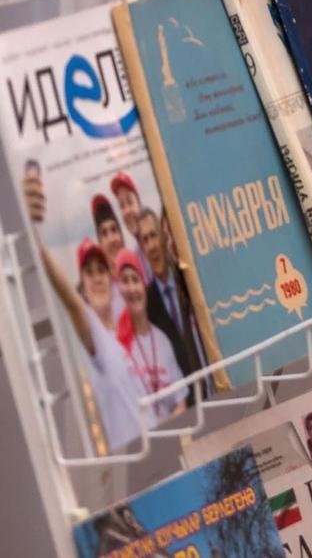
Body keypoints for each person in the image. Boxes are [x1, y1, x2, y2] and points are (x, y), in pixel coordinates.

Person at [20, 161, 145, 452]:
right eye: (89, 273)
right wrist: (30, 229)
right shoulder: (92, 330)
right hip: (130, 452)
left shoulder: (130, 315)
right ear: (82, 287)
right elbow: (71, 303)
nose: (98, 278)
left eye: (101, 271)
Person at [114, 249, 185, 422]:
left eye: (135, 279)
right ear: (119, 290)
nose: (132, 288)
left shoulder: (162, 341)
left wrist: (164, 429)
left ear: (144, 286)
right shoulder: (118, 346)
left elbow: (181, 403)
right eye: (125, 281)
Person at [138, 208, 203, 389]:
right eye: (145, 240)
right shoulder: (147, 305)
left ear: (163, 237)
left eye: (153, 236)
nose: (151, 246)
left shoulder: (187, 278)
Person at [91, 195, 127, 320]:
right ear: (100, 243)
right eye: (104, 233)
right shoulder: (101, 293)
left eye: (114, 230)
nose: (112, 239)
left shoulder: (140, 274)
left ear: (121, 235)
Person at [112, 171, 144, 247]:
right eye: (122, 206)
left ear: (140, 205)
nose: (127, 211)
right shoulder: (134, 253)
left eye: (130, 202)